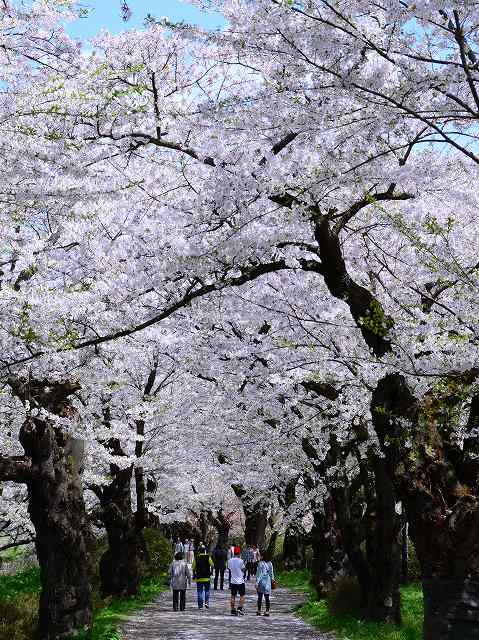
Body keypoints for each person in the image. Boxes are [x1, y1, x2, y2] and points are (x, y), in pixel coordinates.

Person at [192, 544, 214, 609]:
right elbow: (212, 565)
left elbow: (193, 568)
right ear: (204, 551)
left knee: (199, 591)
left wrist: (194, 574)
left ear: (199, 551)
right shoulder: (208, 557)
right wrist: (211, 572)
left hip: (199, 577)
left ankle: (200, 606)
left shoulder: (196, 557)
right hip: (207, 577)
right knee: (207, 590)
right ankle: (206, 602)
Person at [256, 550, 274, 617]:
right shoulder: (270, 563)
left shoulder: (260, 563)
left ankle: (259, 611)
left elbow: (259, 574)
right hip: (267, 582)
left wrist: (257, 582)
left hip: (261, 582)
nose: (259, 556)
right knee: (267, 597)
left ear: (262, 556)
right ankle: (267, 611)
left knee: (260, 597)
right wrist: (272, 580)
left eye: (259, 555)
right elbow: (271, 573)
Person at [228, 546, 246, 616]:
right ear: (239, 553)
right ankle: (240, 608)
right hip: (240, 581)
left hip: (233, 581)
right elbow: (243, 569)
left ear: (234, 553)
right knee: (242, 595)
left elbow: (229, 568)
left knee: (233, 596)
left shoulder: (230, 560)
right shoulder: (241, 561)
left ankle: (232, 609)